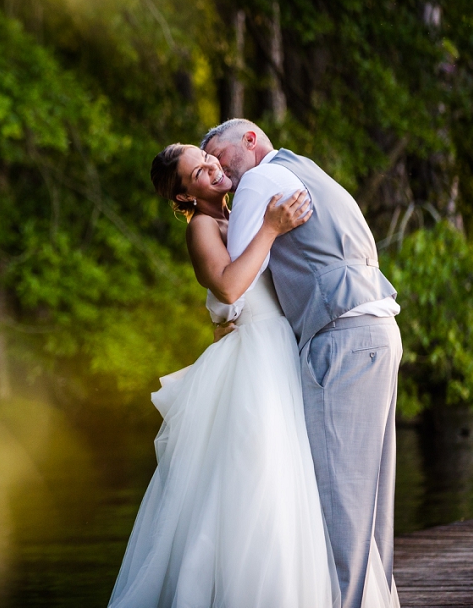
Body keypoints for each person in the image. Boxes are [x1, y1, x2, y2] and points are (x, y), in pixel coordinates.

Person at [108, 142, 336, 607]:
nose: (212, 167)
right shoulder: (203, 228)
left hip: (279, 354)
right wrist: (272, 229)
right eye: (197, 172)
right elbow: (231, 284)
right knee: (256, 479)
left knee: (285, 480)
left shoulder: (242, 217)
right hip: (252, 362)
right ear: (186, 197)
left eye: (208, 159)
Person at [202, 119, 402, 608]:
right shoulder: (308, 170)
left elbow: (236, 285)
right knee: (374, 511)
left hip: (340, 337)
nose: (220, 171)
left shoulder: (260, 182)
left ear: (249, 141)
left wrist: (225, 317)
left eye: (218, 156)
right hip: (379, 326)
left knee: (339, 508)